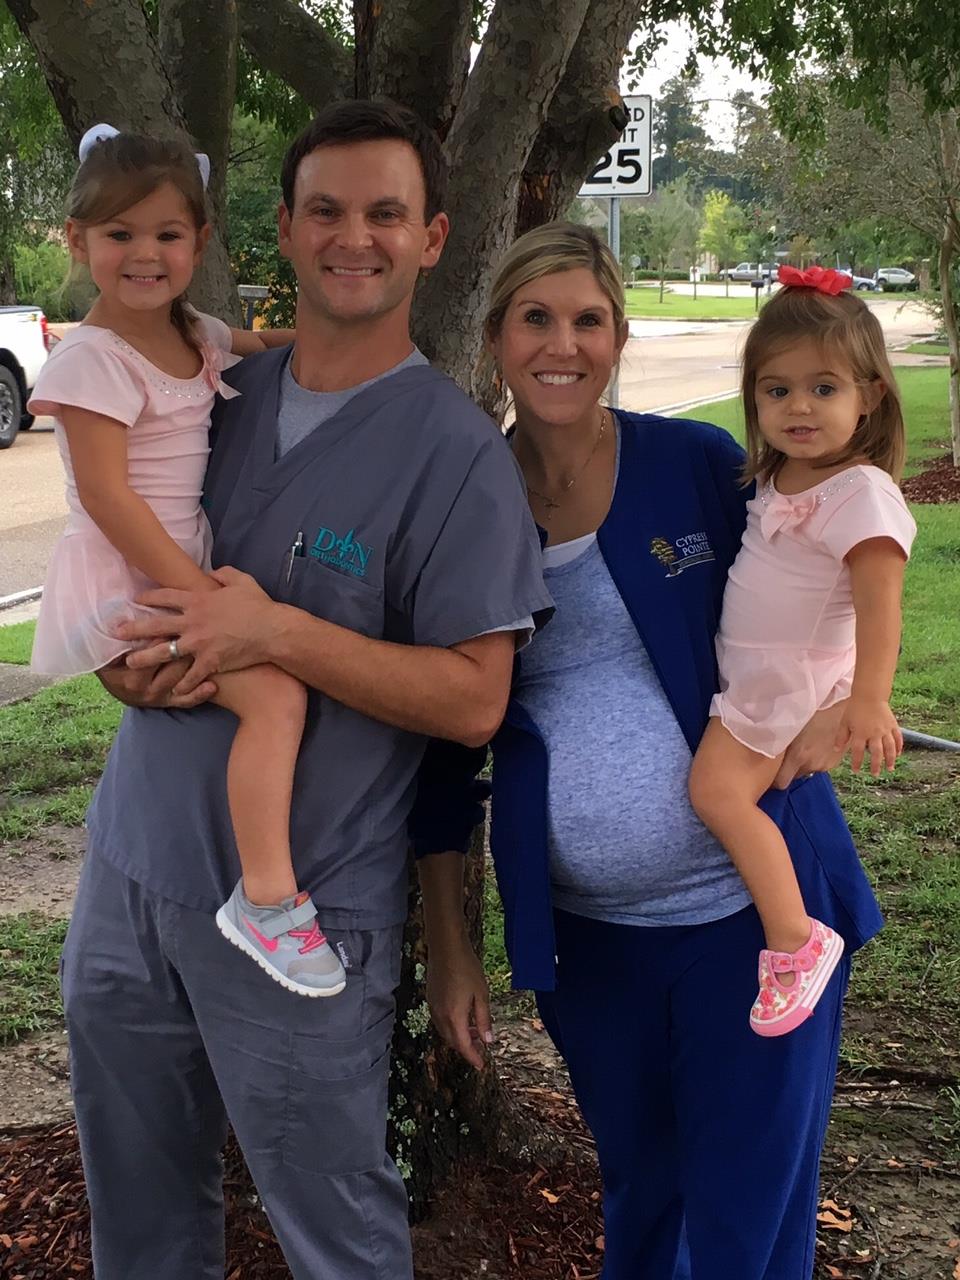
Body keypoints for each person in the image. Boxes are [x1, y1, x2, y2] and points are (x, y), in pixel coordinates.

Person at [61, 100, 552, 1280]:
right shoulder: (215, 389)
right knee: (135, 1213)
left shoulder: (453, 454)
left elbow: (475, 699)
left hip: (304, 910)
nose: (355, 237)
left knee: (333, 1228)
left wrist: (274, 631)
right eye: (325, 210)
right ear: (281, 228)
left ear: (433, 236)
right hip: (132, 872)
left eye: (386, 213)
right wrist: (125, 660)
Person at [416, 222, 885, 1280]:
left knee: (746, 1215)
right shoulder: (466, 508)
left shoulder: (696, 463)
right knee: (641, 1193)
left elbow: (833, 567)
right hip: (591, 945)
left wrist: (846, 696)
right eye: (536, 317)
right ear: (496, 339)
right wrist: (452, 947)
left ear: (619, 336)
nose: (562, 343)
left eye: (588, 318)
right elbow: (443, 754)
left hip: (754, 921)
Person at [28, 124, 345, 997]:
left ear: (199, 242)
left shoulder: (188, 330)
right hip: (135, 581)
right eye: (119, 234)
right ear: (77, 240)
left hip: (172, 570)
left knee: (264, 699)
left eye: (167, 234)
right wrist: (198, 592)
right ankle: (268, 899)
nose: (144, 253)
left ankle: (256, 881)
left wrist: (331, 346)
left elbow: (257, 344)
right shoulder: (92, 357)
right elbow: (107, 498)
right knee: (276, 695)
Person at [688, 265, 915, 1036]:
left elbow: (880, 602)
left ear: (871, 394)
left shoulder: (862, 491)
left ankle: (795, 937)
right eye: (777, 390)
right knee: (731, 792)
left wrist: (866, 699)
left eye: (824, 388)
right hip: (762, 675)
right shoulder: (781, 476)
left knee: (717, 795)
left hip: (782, 685)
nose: (800, 408)